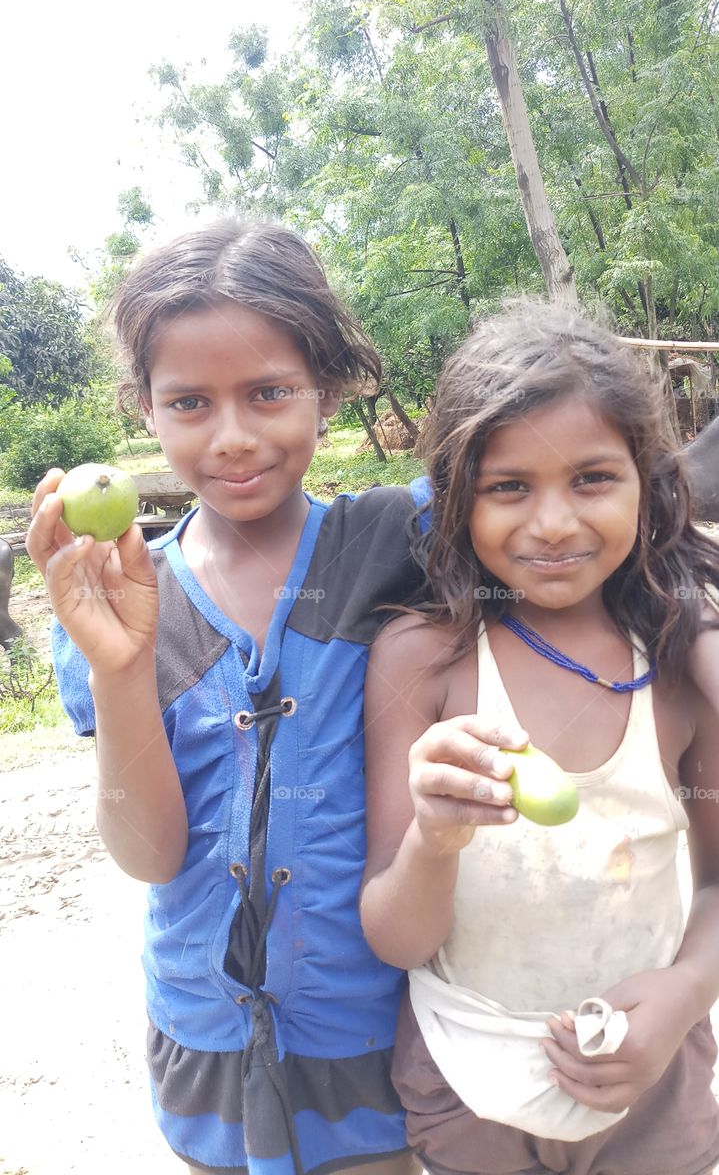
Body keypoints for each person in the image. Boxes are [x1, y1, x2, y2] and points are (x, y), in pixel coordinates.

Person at [27, 221, 526, 1175]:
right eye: (188, 402)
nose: (233, 437)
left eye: (268, 392)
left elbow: (563, 527)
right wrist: (121, 666)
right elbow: (151, 854)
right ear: (144, 409)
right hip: (204, 1034)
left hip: (370, 1026)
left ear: (327, 387)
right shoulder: (114, 598)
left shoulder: (404, 543)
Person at [360, 302, 719, 1175]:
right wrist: (434, 840)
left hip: (653, 1085)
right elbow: (396, 938)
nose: (552, 523)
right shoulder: (423, 661)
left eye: (592, 479)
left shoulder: (676, 660)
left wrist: (684, 991)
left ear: (647, 482)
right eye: (508, 487)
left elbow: (714, 877)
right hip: (467, 1083)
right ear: (456, 500)